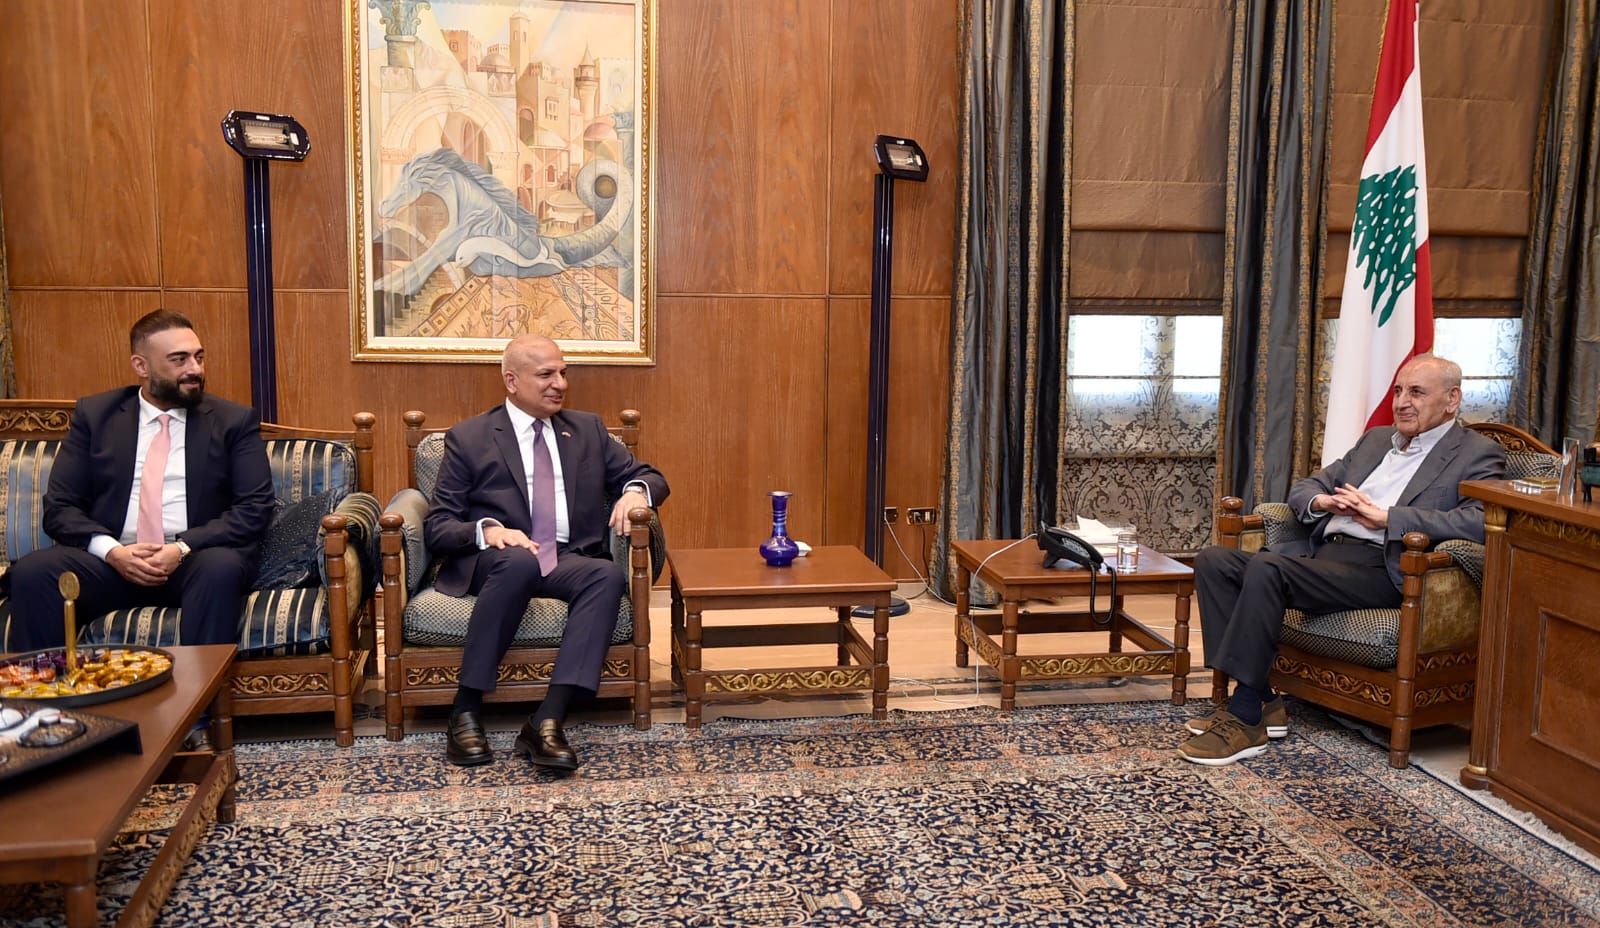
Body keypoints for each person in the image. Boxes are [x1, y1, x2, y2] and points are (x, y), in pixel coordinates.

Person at [1180, 354, 1506, 766]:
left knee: (1267, 567)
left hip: (1382, 567)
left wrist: (1388, 518)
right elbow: (1307, 485)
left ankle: (1246, 718)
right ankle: (1263, 698)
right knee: (1214, 561)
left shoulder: (1477, 453)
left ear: (1452, 399)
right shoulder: (1376, 441)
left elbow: (1480, 521)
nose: (1402, 402)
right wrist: (1324, 501)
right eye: (1399, 391)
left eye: (1417, 393)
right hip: (1324, 555)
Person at [8, 310, 276, 747]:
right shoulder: (96, 416)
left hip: (191, 561)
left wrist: (181, 548)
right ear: (141, 365)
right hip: (114, 563)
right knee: (35, 572)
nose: (194, 369)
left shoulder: (232, 421)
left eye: (199, 357)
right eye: (179, 360)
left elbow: (254, 508)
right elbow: (60, 508)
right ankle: (43, 717)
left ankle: (196, 722)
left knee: (221, 568)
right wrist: (112, 551)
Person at [426, 334, 668, 770]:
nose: (560, 384)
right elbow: (439, 526)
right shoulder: (470, 438)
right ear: (512, 381)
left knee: (606, 574)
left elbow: (651, 476)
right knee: (518, 561)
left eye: (563, 373)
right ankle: (465, 709)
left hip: (565, 558)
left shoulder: (587, 430)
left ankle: (548, 719)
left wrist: (635, 491)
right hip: (498, 561)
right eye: (546, 375)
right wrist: (488, 531)